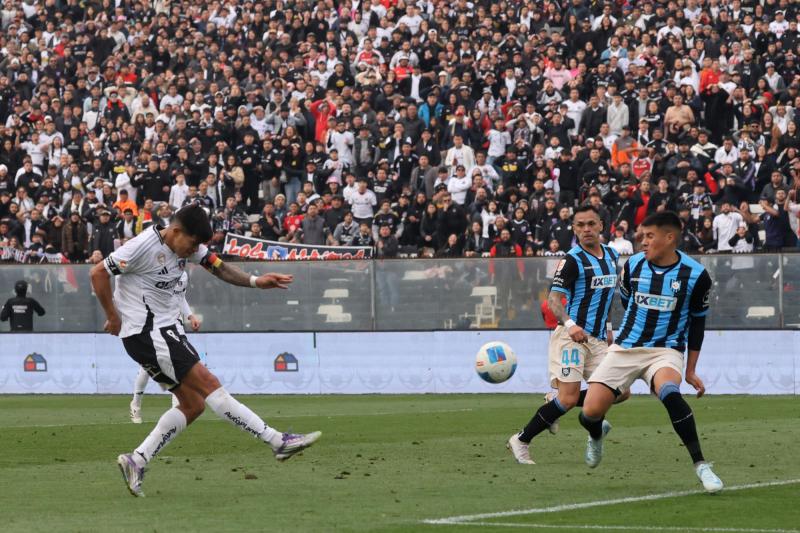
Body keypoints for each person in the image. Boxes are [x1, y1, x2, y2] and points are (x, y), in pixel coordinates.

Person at [90, 205, 321, 497]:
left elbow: (219, 266)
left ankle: (137, 460)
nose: (196, 250)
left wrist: (255, 281)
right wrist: (113, 315)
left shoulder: (186, 245)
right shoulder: (142, 246)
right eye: (193, 243)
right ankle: (277, 441)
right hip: (148, 333)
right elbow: (98, 273)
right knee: (210, 385)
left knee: (192, 405)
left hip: (160, 333)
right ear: (176, 232)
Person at [577, 211, 723, 493]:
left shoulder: (696, 276)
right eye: (642, 236)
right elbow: (626, 301)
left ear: (669, 238)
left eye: (649, 236)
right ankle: (596, 433)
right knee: (590, 412)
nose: (643, 242)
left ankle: (701, 465)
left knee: (669, 392)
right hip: (626, 348)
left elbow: (697, 324)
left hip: (665, 350)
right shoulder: (631, 266)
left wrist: (690, 369)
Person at [507, 206, 627, 464]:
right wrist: (571, 324)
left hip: (597, 338)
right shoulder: (572, 260)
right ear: (574, 229)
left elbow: (606, 301)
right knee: (570, 398)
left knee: (622, 391)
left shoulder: (612, 256)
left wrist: (608, 333)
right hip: (570, 337)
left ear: (601, 226)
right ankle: (521, 440)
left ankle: (554, 401)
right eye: (580, 225)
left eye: (591, 224)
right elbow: (553, 300)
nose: (586, 229)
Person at [129, 270, 200, 423]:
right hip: (157, 325)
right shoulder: (158, 269)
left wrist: (190, 315)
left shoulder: (183, 275)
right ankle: (136, 403)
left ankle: (177, 407)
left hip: (176, 325)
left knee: (181, 365)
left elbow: (180, 297)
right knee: (147, 368)